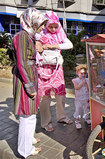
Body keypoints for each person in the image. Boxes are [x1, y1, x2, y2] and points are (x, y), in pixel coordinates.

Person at [12, 8, 48, 158]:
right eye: (41, 24)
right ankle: (24, 150)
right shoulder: (21, 36)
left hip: (30, 77)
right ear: (31, 21)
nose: (42, 27)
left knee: (31, 114)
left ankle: (28, 141)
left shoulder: (28, 36)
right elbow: (21, 62)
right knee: (27, 116)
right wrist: (30, 86)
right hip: (25, 80)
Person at [36, 11, 73, 132]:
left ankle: (62, 117)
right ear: (45, 24)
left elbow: (69, 45)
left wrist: (53, 46)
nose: (53, 29)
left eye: (55, 26)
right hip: (43, 68)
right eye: (50, 26)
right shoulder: (39, 33)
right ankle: (46, 122)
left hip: (57, 68)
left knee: (60, 94)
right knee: (45, 97)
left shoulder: (60, 33)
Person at [72, 65, 91, 129]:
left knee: (87, 109)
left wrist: (86, 84)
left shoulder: (87, 80)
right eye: (81, 73)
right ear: (77, 73)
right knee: (78, 109)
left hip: (86, 98)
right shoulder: (75, 80)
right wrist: (82, 83)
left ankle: (87, 118)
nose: (83, 75)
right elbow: (76, 88)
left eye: (85, 73)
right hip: (79, 99)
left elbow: (89, 90)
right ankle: (77, 121)